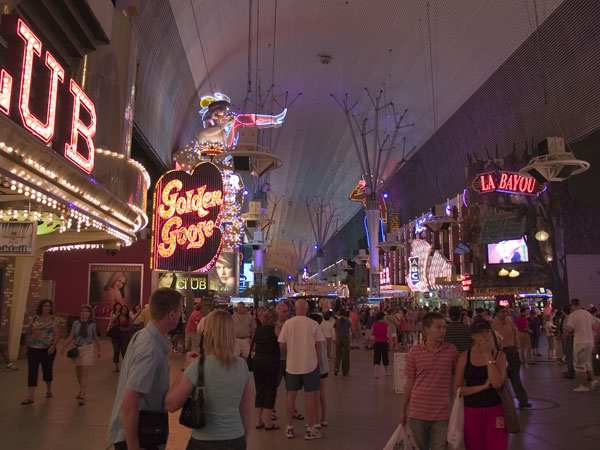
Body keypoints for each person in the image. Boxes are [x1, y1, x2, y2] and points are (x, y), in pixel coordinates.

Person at [165, 310, 253, 450]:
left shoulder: (198, 367)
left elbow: (170, 404)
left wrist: (185, 368)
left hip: (204, 442)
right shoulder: (242, 366)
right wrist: (243, 441)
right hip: (236, 439)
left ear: (207, 333)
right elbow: (246, 412)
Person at [107, 288, 183, 450]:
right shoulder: (150, 349)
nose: (180, 316)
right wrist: (133, 445)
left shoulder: (143, 336)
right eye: (180, 311)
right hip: (139, 437)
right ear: (171, 314)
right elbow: (129, 401)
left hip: (144, 432)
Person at [399, 312, 459, 450]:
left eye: (444, 327)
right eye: (438, 327)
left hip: (442, 413)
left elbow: (458, 378)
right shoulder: (414, 352)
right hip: (418, 412)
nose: (442, 331)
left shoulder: (451, 351)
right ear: (427, 330)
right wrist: (403, 410)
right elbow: (409, 383)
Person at [454, 320, 508, 450]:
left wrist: (487, 354)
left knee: (497, 445)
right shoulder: (464, 357)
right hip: (471, 409)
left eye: (487, 332)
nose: (485, 336)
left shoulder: (499, 356)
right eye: (480, 333)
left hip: (494, 409)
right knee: (474, 445)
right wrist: (482, 387)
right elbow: (457, 389)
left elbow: (496, 383)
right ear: (473, 336)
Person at [278, 299, 325, 440]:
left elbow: (281, 344)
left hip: (292, 365)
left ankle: (289, 427)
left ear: (295, 308)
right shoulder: (313, 324)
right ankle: (310, 428)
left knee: (290, 396)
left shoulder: (288, 324)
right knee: (310, 396)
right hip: (309, 365)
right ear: (307, 309)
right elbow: (319, 345)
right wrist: (318, 361)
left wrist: (292, 350)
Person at [21, 299, 60, 405]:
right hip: (33, 348)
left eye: (49, 306)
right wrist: (26, 346)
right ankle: (30, 396)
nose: (47, 308)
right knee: (32, 371)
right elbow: (29, 332)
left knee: (47, 369)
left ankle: (49, 390)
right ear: (41, 307)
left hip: (47, 349)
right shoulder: (34, 318)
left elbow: (57, 334)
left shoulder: (54, 320)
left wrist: (53, 345)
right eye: (45, 306)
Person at [492, 305, 531, 409]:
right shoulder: (493, 325)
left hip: (512, 351)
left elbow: (516, 334)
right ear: (497, 313)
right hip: (501, 353)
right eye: (502, 312)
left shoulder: (510, 323)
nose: (505, 314)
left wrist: (517, 346)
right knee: (502, 378)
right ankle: (501, 402)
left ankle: (523, 401)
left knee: (515, 377)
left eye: (505, 312)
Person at [61, 304, 101, 405]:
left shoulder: (93, 324)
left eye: (85, 311)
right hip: (77, 348)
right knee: (78, 374)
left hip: (87, 347)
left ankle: (82, 394)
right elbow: (71, 335)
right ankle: (81, 389)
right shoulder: (75, 323)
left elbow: (95, 337)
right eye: (82, 311)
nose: (83, 313)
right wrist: (65, 345)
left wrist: (99, 350)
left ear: (89, 314)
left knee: (84, 370)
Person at [251, 309, 280, 430]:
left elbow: (253, 348)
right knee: (270, 389)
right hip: (272, 361)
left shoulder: (258, 330)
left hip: (258, 360)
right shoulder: (276, 330)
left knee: (260, 389)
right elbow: (282, 344)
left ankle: (258, 420)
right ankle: (268, 422)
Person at [564, 298, 599, 392]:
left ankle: (584, 385)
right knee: (588, 362)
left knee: (580, 364)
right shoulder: (587, 313)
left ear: (573, 306)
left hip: (580, 342)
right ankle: (594, 380)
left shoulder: (573, 315)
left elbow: (569, 328)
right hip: (589, 341)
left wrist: (565, 335)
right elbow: (594, 327)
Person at [310, 314, 329, 428]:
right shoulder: (321, 332)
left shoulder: (315, 334)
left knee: (315, 394)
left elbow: (318, 353)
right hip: (325, 367)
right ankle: (323, 418)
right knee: (322, 393)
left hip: (317, 366)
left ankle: (315, 420)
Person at [111, 304, 132, 372]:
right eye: (123, 309)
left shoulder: (129, 318)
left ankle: (125, 367)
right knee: (116, 351)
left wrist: (125, 329)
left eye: (126, 309)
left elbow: (131, 327)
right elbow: (112, 324)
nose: (125, 311)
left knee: (124, 351)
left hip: (125, 336)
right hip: (116, 336)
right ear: (121, 310)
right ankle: (117, 368)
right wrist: (115, 320)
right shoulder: (117, 317)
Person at [333, 310, 351, 376]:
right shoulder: (347, 321)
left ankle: (336, 368)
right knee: (346, 355)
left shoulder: (337, 321)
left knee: (338, 355)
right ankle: (345, 371)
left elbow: (335, 329)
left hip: (339, 338)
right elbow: (350, 328)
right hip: (346, 338)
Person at [372, 312, 390, 378]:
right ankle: (386, 371)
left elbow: (372, 332)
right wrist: (390, 343)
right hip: (384, 341)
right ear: (382, 317)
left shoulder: (374, 324)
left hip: (377, 341)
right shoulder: (386, 325)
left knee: (377, 357)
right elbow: (389, 334)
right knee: (385, 356)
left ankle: (376, 373)